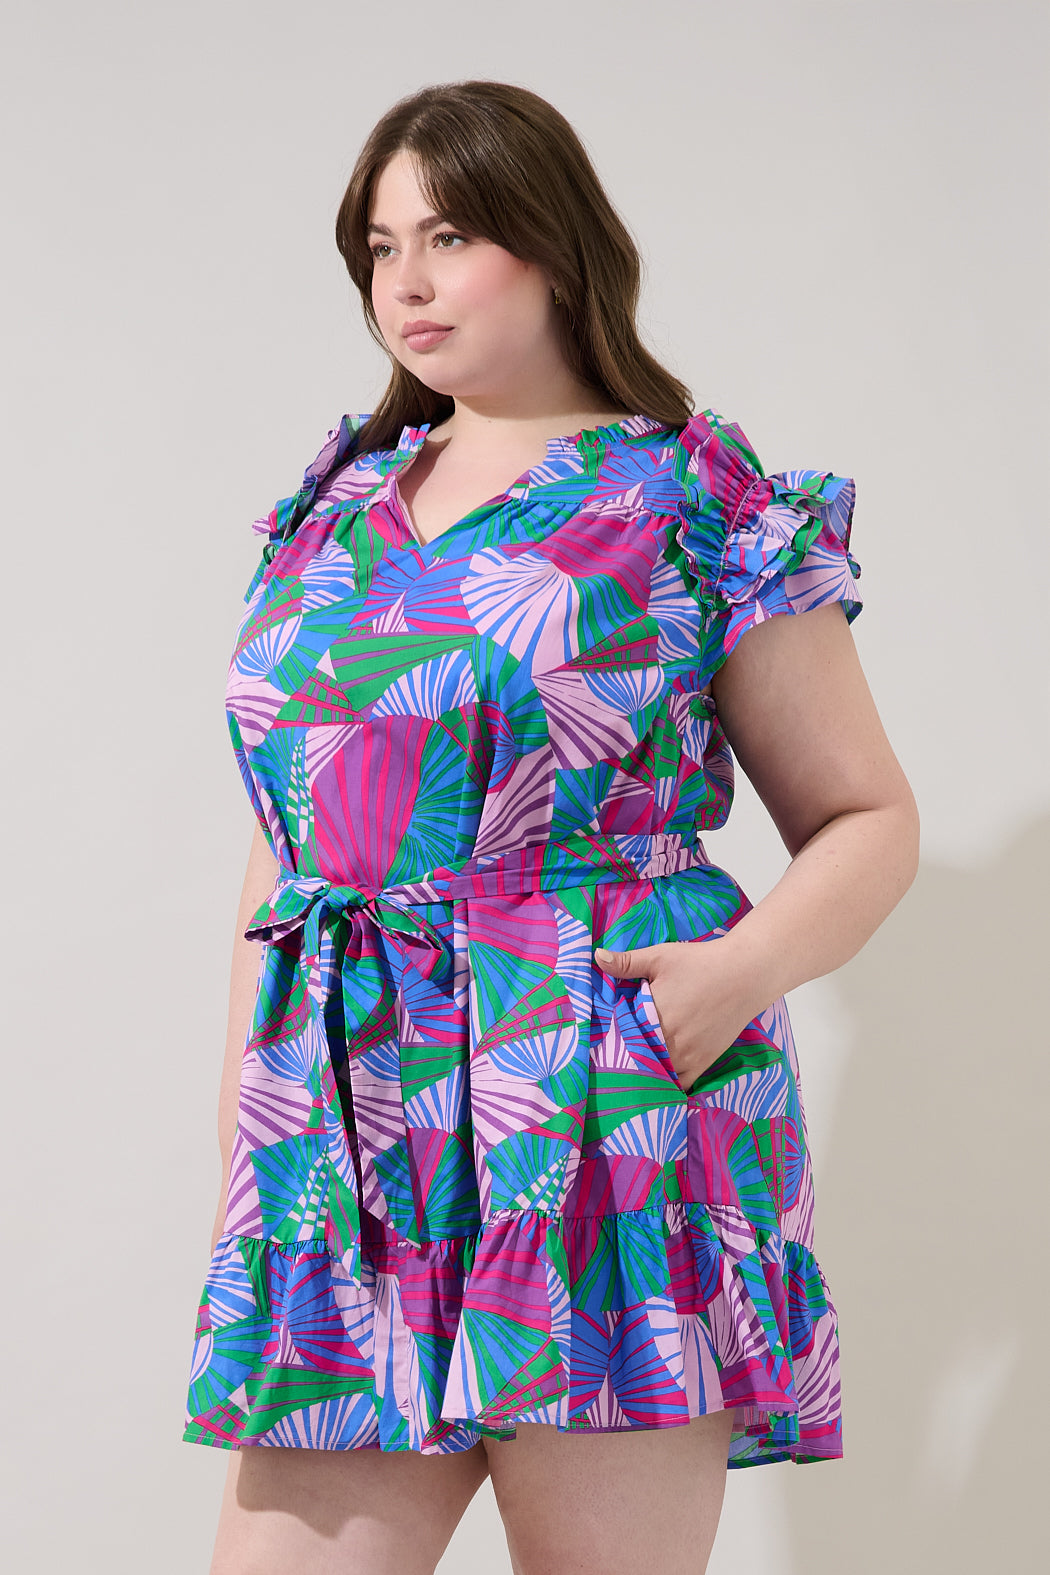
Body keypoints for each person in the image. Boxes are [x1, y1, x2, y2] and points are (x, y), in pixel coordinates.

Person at [184, 79, 919, 1575]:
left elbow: (866, 815)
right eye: (380, 245)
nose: (406, 280)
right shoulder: (331, 511)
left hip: (594, 1104)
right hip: (350, 1129)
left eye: (450, 235)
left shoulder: (693, 499)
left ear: (556, 243)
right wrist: (249, 1111)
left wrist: (736, 975)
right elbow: (293, 832)